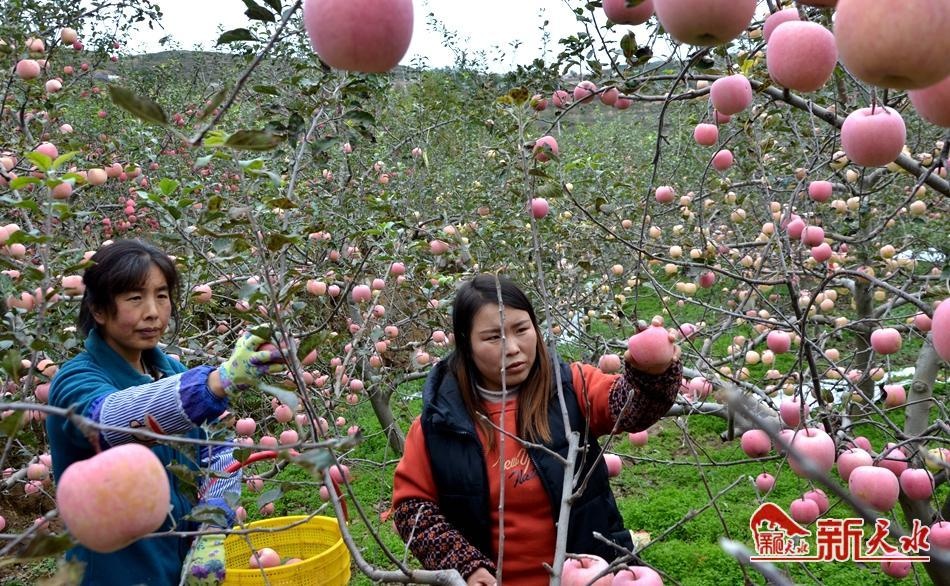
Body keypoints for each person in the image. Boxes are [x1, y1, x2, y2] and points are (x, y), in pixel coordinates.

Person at [391, 274, 683, 585]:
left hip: (594, 577)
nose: (513, 348)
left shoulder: (570, 388)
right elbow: (412, 511)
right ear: (466, 344)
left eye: (521, 330)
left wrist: (651, 375)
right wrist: (464, 563)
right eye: (492, 337)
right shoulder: (440, 424)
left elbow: (631, 409)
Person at [46, 239, 284, 586]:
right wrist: (215, 383)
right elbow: (108, 420)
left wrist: (211, 530)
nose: (153, 312)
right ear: (98, 309)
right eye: (134, 298)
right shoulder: (75, 380)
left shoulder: (171, 370)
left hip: (176, 567)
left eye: (161, 295)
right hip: (114, 575)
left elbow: (218, 450)